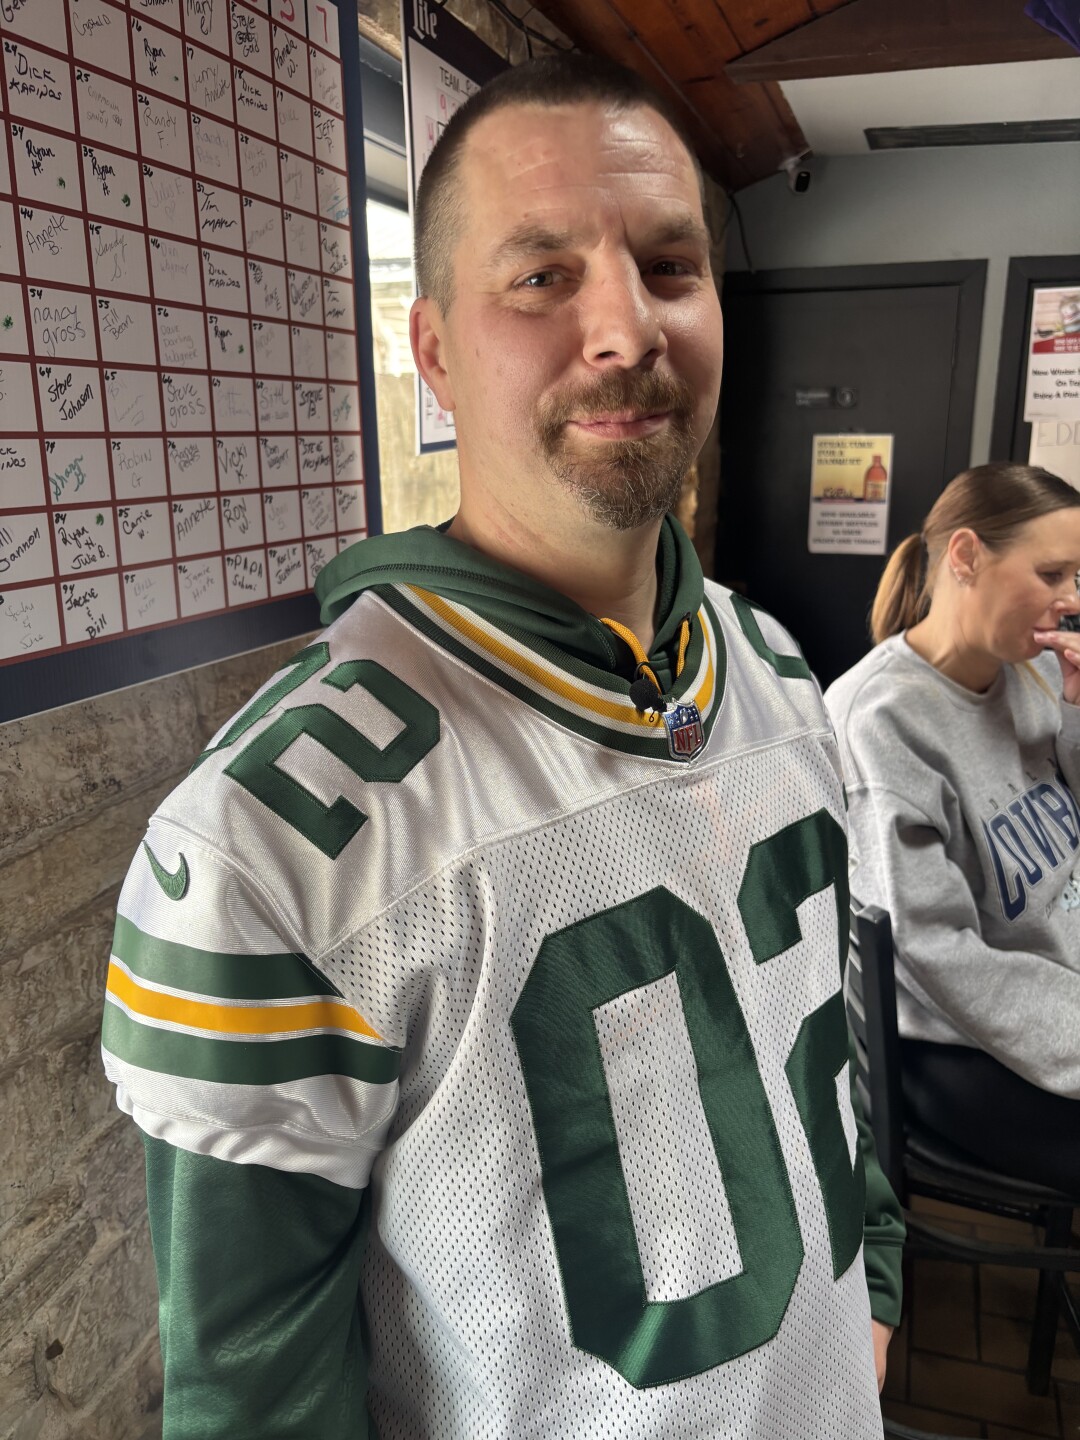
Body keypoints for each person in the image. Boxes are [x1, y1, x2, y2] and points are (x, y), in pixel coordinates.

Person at [101, 54, 902, 1438]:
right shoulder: (264, 843)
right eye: (541, 278)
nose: (624, 328)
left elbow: (824, 1065)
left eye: (669, 265)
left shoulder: (773, 667)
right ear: (433, 352)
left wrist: (873, 1287)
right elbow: (253, 1404)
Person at [825, 463, 1080, 1195]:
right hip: (956, 1050)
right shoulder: (881, 720)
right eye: (1053, 572)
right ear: (966, 557)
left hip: (1050, 993)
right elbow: (933, 952)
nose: (1070, 601)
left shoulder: (1024, 672)